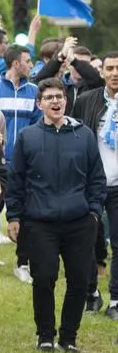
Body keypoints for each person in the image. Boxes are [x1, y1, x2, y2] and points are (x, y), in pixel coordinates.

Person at [5, 78, 106, 353]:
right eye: (49, 97)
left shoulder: (83, 135)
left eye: (59, 97)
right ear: (40, 104)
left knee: (79, 281)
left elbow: (97, 177)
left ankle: (69, 338)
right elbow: (16, 181)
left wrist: (94, 212)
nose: (55, 102)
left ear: (66, 101)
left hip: (79, 221)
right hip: (40, 222)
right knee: (45, 278)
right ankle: (45, 336)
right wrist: (14, 216)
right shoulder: (28, 137)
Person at [0, 44, 40, 284]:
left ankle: (23, 263)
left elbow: (40, 126)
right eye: (28, 61)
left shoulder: (34, 91)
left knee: (26, 214)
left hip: (26, 164)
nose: (31, 65)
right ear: (16, 63)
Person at [71, 52, 118, 321]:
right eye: (109, 68)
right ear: (102, 72)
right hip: (92, 184)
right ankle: (91, 292)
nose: (114, 73)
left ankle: (116, 298)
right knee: (86, 241)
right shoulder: (88, 100)